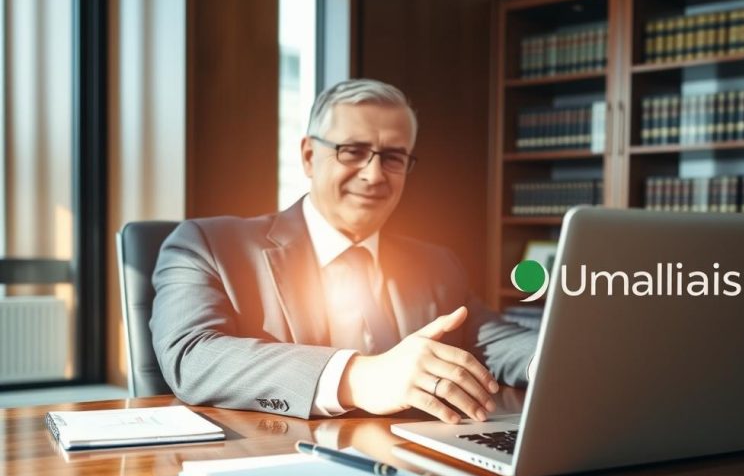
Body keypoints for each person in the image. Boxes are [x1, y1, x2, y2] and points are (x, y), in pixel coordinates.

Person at [151, 78, 537, 422]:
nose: (373, 175)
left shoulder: (436, 264)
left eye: (393, 157)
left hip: (413, 465)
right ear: (308, 157)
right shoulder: (208, 245)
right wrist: (359, 377)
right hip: (275, 466)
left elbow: (492, 339)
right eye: (352, 151)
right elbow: (192, 355)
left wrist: (562, 362)